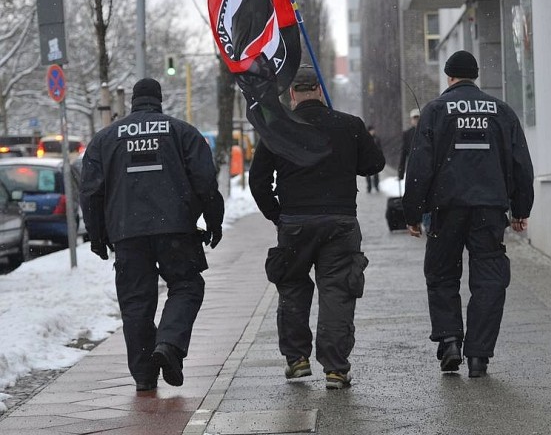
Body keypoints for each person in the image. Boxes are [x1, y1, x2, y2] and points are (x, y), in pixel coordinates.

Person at [80, 78, 224, 392]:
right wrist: (214, 221)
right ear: (159, 101)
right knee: (187, 285)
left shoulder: (105, 139)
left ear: (133, 102)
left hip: (127, 233)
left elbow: (91, 192)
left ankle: (145, 375)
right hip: (176, 229)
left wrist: (97, 235)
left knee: (135, 303)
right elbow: (205, 182)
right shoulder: (181, 132)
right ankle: (169, 344)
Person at [249, 64, 385, 389]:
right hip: (340, 222)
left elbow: (258, 180)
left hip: (295, 223)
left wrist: (277, 214)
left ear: (292, 94)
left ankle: (296, 359)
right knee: (337, 291)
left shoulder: (278, 128)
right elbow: (374, 164)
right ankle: (336, 369)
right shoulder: (348, 125)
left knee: (293, 289)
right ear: (321, 90)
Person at [402, 50, 534, 378]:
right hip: (489, 209)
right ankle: (478, 355)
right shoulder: (501, 111)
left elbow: (419, 165)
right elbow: (521, 164)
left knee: (442, 274)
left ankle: (449, 341)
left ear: (448, 77)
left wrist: (413, 212)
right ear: (475, 76)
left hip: (446, 209)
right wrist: (521, 208)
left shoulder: (434, 111)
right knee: (489, 279)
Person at [397, 108, 419, 181]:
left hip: (425, 168)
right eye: (414, 118)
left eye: (418, 118)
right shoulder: (407, 134)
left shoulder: (427, 132)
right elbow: (403, 153)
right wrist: (401, 172)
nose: (416, 120)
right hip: (412, 168)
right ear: (411, 120)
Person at [364, 125, 382, 193]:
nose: (372, 132)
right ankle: (369, 187)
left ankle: (376, 186)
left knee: (376, 174)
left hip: (375, 158)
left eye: (373, 130)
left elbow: (380, 148)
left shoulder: (377, 139)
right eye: (371, 130)